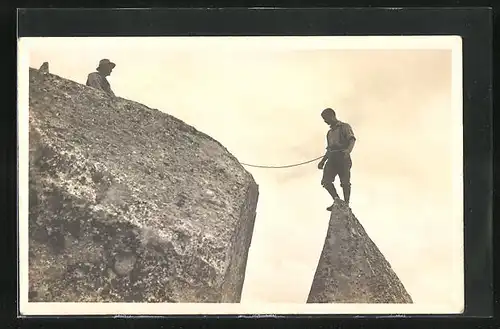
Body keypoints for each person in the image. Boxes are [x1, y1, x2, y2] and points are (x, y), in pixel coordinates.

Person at [317, 108, 356, 211]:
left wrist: (348, 151)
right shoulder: (329, 133)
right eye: (324, 119)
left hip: (342, 156)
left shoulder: (344, 127)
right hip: (332, 157)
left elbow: (351, 139)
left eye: (326, 118)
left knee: (345, 182)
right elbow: (329, 149)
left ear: (332, 116)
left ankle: (346, 204)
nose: (325, 121)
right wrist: (323, 161)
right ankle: (337, 201)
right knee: (326, 181)